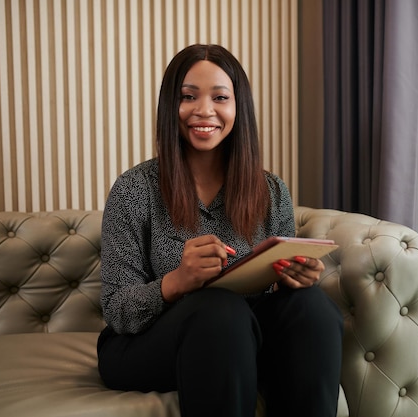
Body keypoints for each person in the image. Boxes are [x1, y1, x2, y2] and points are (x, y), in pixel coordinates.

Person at [96, 44, 343, 417]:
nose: (204, 110)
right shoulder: (134, 189)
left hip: (243, 339)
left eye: (220, 97)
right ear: (170, 107)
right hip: (147, 345)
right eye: (188, 97)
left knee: (313, 307)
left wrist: (296, 277)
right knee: (218, 308)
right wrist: (178, 281)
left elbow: (280, 299)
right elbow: (117, 309)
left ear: (237, 108)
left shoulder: (271, 191)